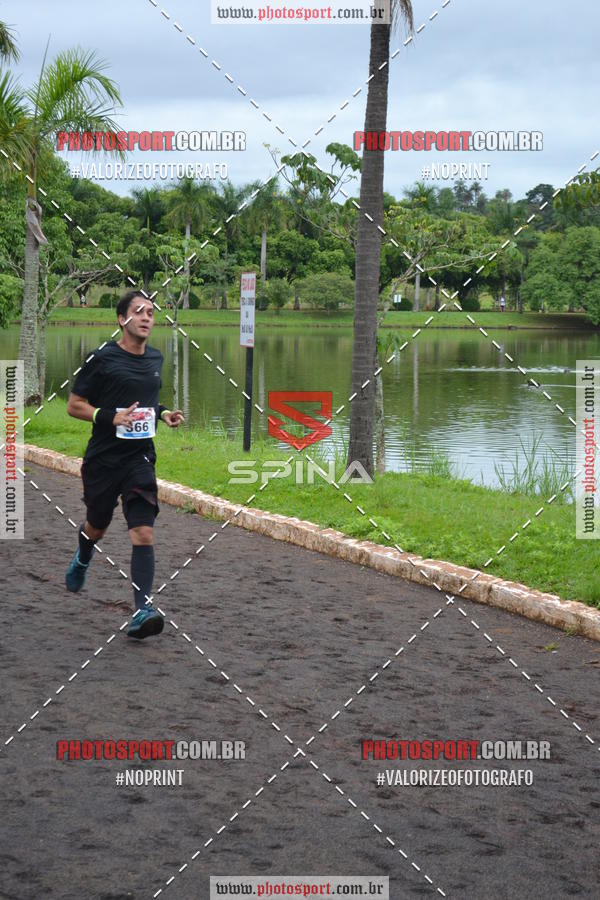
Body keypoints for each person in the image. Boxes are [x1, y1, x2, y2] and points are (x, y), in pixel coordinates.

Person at [64, 290, 184, 639]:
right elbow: (74, 405)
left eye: (151, 312)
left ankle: (142, 609)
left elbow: (145, 401)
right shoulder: (101, 358)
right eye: (139, 311)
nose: (147, 317)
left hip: (139, 457)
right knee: (97, 525)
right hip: (103, 459)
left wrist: (163, 413)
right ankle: (83, 555)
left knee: (143, 531)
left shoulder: (156, 357)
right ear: (122, 319)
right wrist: (110, 417)